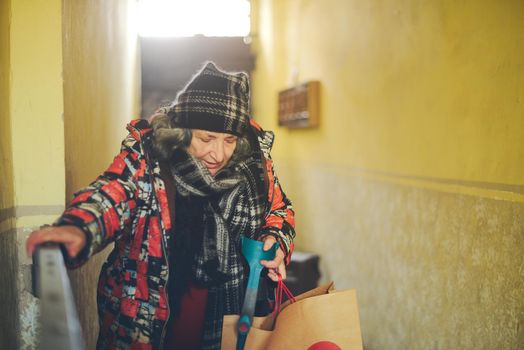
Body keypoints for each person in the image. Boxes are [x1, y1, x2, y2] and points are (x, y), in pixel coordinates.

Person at [26, 62, 296, 350]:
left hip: (230, 314)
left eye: (229, 140)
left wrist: (277, 239)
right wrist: (78, 227)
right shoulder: (150, 159)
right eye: (206, 139)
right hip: (153, 317)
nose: (219, 154)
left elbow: (279, 210)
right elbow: (112, 193)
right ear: (183, 131)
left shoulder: (255, 165)